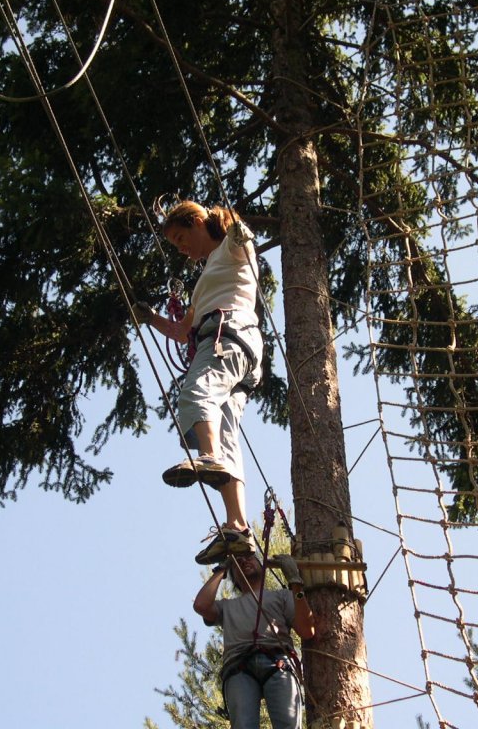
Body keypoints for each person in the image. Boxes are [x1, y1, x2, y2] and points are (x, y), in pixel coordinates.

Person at [133, 200, 263, 564]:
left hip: (227, 334)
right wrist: (150, 317)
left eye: (180, 238)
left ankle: (207, 459)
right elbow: (180, 330)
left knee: (195, 392)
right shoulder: (203, 283)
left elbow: (241, 233)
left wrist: (226, 219)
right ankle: (237, 526)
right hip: (237, 346)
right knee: (224, 435)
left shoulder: (232, 247)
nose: (181, 249)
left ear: (196, 222)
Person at [193, 552, 315, 729]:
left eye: (250, 557)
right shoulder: (226, 606)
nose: (244, 560)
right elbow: (201, 605)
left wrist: (295, 581)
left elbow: (306, 630)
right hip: (239, 667)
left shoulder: (282, 596)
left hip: (278, 662)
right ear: (234, 577)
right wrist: (222, 569)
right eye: (238, 562)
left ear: (263, 566)